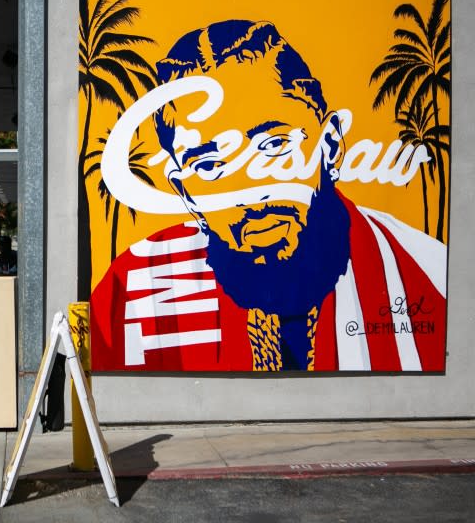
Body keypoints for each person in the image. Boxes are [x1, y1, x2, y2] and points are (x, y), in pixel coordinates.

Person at [91, 19, 446, 372]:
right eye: (210, 165)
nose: (249, 193)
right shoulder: (132, 291)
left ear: (331, 144)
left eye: (274, 145)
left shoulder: (430, 277)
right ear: (184, 191)